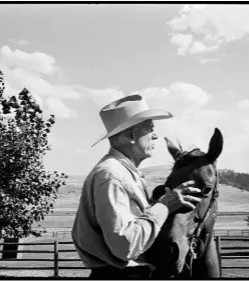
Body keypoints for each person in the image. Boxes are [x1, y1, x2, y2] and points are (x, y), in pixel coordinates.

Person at [71, 94, 202, 279]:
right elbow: (125, 246)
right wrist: (163, 206)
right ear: (131, 135)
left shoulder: (123, 174)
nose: (155, 135)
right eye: (149, 129)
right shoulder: (112, 176)